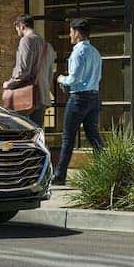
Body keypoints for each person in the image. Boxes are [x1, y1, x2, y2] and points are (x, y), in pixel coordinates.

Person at [52, 18, 104, 185]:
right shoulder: (95, 52)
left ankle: (59, 176)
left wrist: (61, 78)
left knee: (68, 138)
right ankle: (106, 170)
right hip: (94, 97)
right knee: (93, 136)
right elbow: (98, 77)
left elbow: (74, 78)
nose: (69, 35)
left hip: (79, 99)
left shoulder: (78, 52)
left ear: (77, 32)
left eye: (70, 31)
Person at [3, 14, 55, 126]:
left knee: (20, 129)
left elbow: (23, 70)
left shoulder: (26, 40)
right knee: (37, 131)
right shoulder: (47, 45)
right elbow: (50, 73)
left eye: (17, 28)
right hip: (42, 95)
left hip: (25, 95)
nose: (17, 32)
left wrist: (9, 83)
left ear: (22, 26)